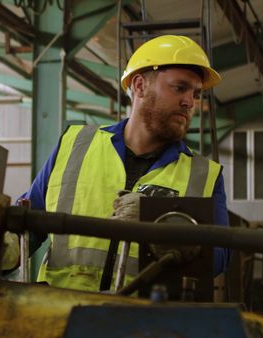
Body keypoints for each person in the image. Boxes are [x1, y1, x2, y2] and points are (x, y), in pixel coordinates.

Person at [19, 35, 230, 292]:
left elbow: (217, 259)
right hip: (63, 315)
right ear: (140, 86)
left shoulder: (204, 174)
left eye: (196, 94)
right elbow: (28, 227)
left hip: (145, 323)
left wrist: (156, 221)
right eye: (179, 88)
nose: (190, 102)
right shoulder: (76, 145)